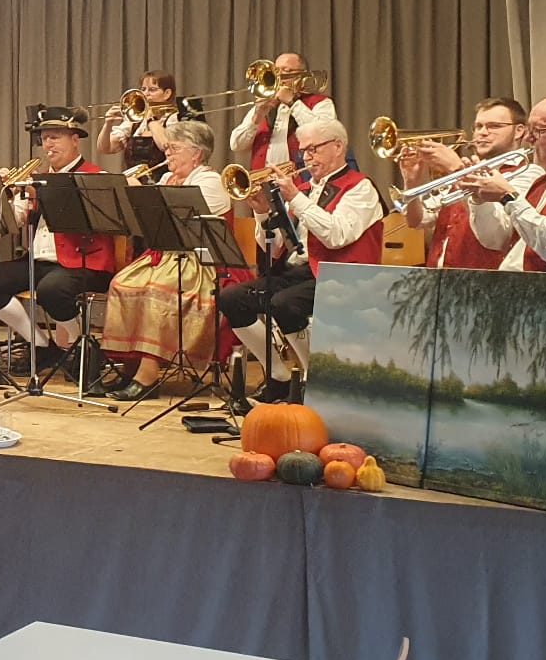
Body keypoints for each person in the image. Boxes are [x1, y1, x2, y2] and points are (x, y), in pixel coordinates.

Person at [217, 119, 382, 406]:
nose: (306, 157)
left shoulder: (360, 187)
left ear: (338, 147)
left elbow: (336, 236)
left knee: (284, 304)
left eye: (313, 149)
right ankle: (278, 377)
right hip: (300, 271)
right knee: (232, 299)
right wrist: (262, 212)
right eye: (303, 151)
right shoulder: (304, 188)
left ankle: (314, 380)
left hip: (343, 275)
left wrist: (295, 198)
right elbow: (274, 247)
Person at [0, 108, 115, 373]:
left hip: (84, 262)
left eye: (55, 137)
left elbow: (98, 221)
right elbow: (13, 223)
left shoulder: (96, 177)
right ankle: (42, 346)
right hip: (39, 261)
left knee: (51, 290)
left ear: (75, 140)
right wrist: (2, 194)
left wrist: (43, 193)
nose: (48, 144)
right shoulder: (35, 180)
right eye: (45, 138)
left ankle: (82, 346)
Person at [101, 120, 235, 401]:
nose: (167, 154)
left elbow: (184, 225)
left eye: (174, 148)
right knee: (122, 284)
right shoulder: (166, 179)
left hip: (202, 261)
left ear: (196, 154)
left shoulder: (210, 181)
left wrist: (141, 192)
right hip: (166, 255)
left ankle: (148, 375)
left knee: (157, 291)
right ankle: (130, 367)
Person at [400, 99, 536, 269]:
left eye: (494, 126)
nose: (482, 133)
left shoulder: (529, 173)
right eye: (478, 127)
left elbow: (496, 235)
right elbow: (417, 221)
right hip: (439, 278)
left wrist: (456, 169)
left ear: (519, 131)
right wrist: (412, 182)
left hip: (484, 278)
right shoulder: (468, 168)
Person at [470, 94, 546, 270]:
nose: (528, 138)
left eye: (539, 130)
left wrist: (507, 196)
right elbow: (497, 240)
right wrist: (479, 200)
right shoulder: (541, 183)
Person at [228, 52, 337, 172]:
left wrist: (292, 104)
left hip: (302, 180)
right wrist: (256, 117)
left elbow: (326, 135)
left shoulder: (321, 103)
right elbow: (236, 145)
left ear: (302, 75)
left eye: (286, 70)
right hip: (262, 181)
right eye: (275, 71)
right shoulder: (266, 104)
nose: (278, 76)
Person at [96, 70, 189, 174]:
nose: (145, 94)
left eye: (152, 90)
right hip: (132, 181)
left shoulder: (175, 118)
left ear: (167, 93)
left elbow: (166, 145)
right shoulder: (135, 122)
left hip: (164, 181)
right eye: (143, 89)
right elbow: (105, 149)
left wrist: (150, 120)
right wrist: (108, 124)